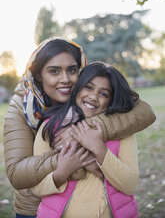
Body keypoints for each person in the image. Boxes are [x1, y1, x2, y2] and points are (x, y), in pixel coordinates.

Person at [3, 37, 156, 218]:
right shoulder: (20, 109)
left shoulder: (86, 91)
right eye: (54, 71)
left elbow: (145, 112)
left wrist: (80, 131)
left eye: (72, 70)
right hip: (34, 207)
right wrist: (72, 160)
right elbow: (17, 174)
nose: (65, 79)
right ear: (38, 75)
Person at [32, 62, 142, 218]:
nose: (93, 97)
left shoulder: (123, 133)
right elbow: (35, 186)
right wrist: (61, 173)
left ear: (111, 101)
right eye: (88, 87)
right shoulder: (50, 127)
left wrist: (99, 148)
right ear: (77, 88)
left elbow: (130, 185)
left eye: (103, 94)